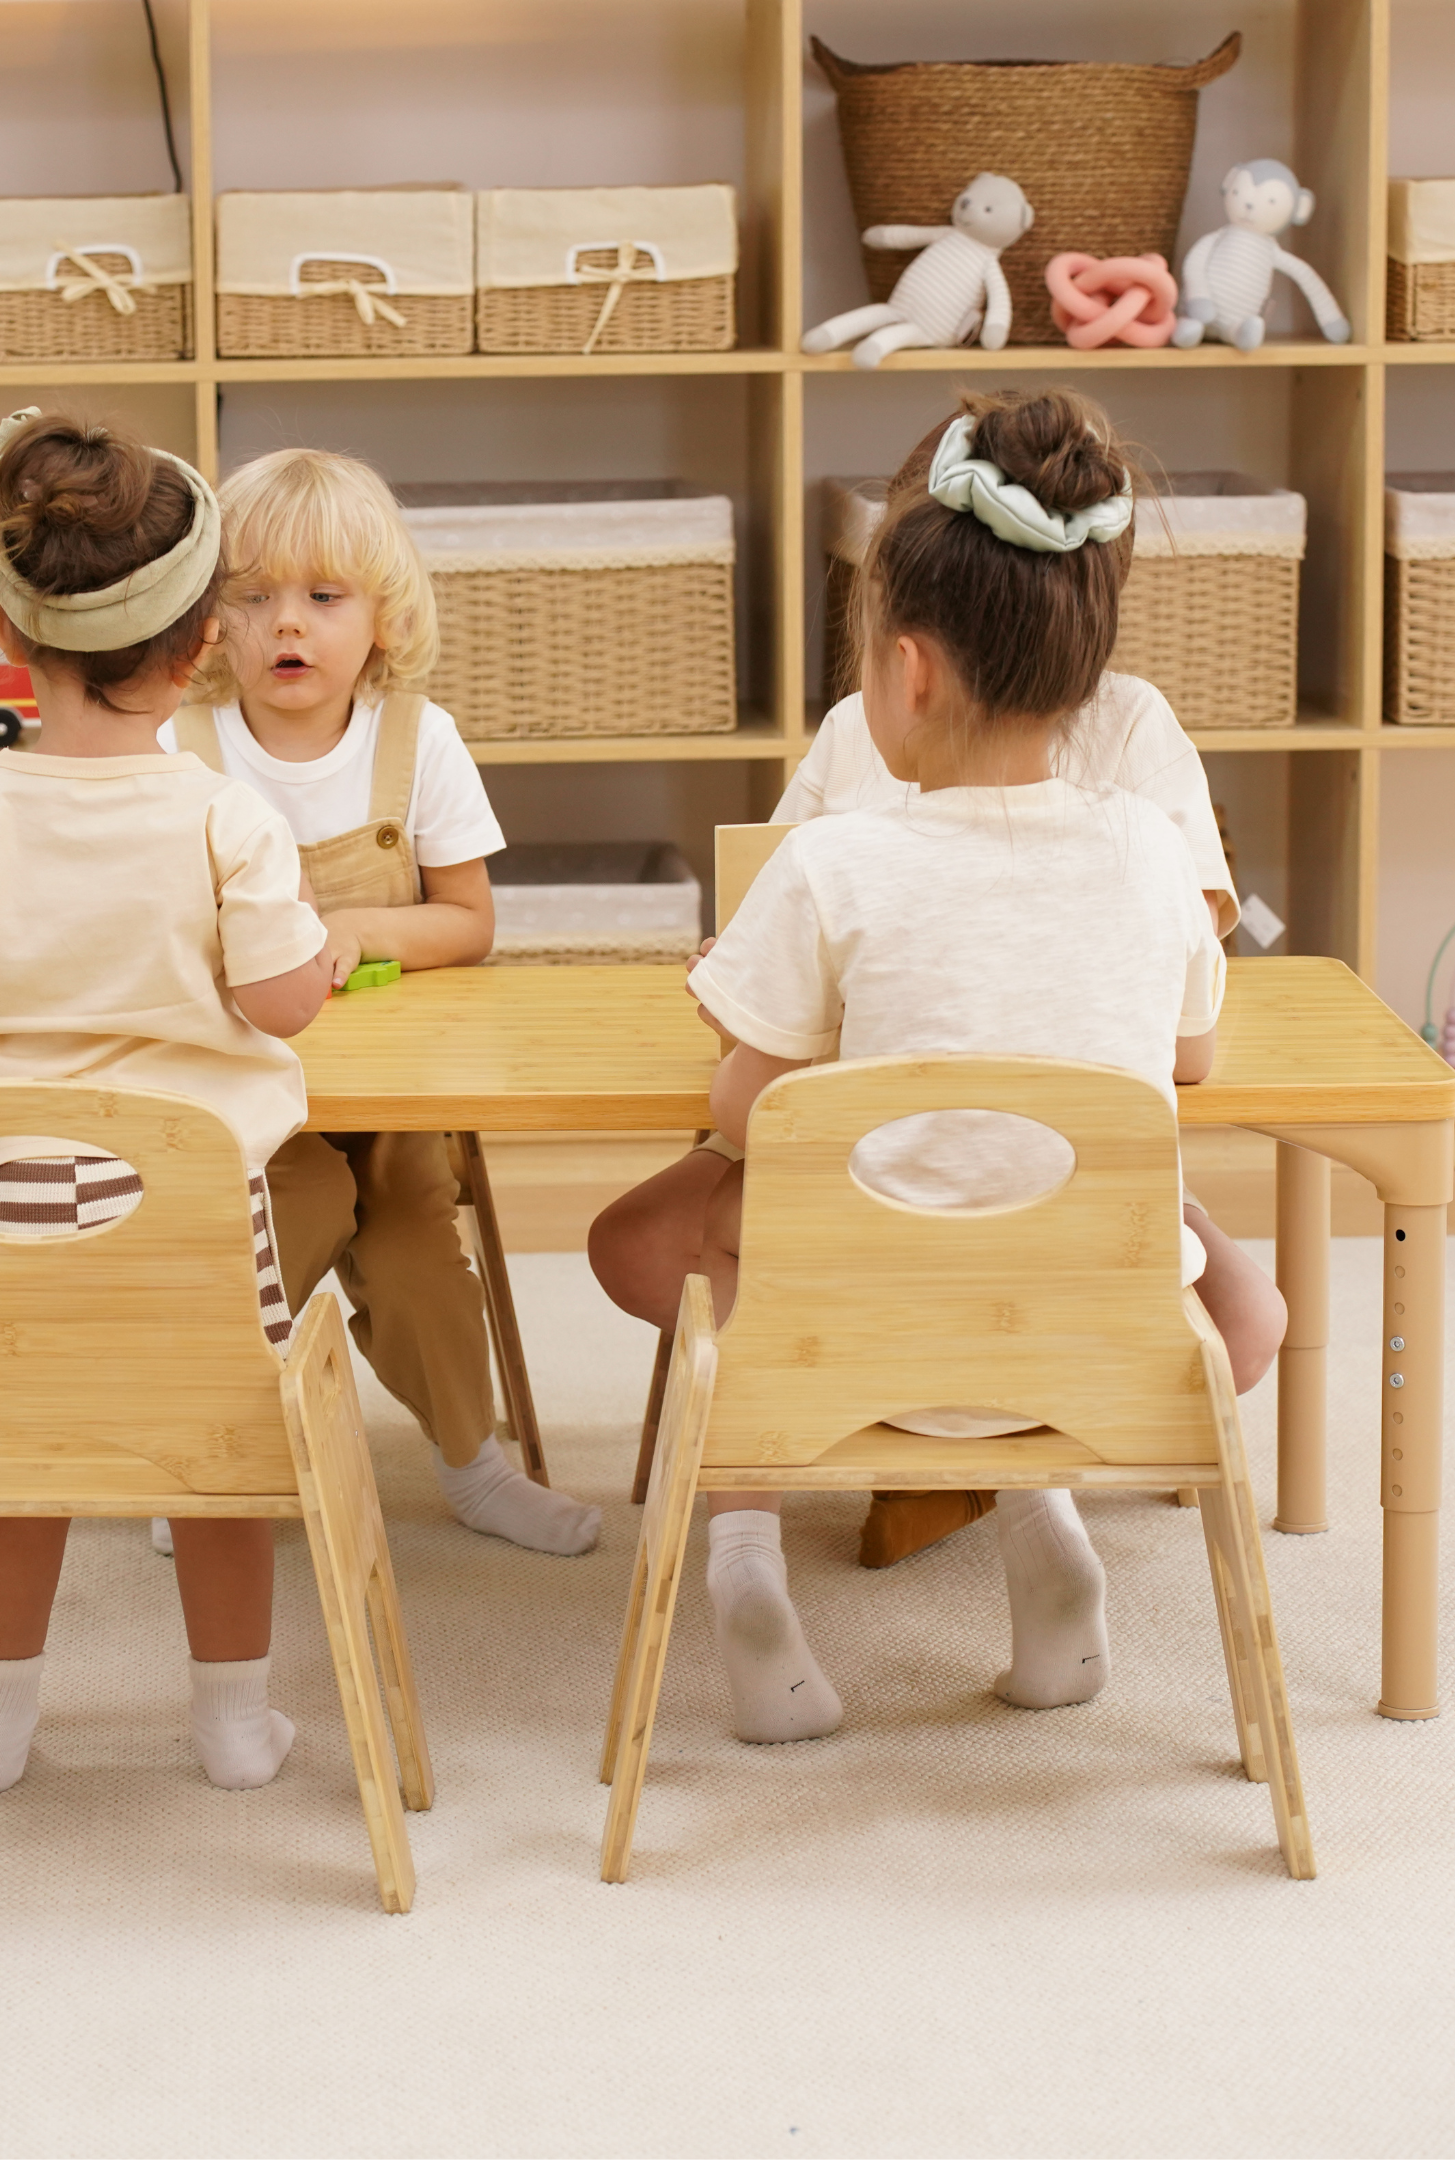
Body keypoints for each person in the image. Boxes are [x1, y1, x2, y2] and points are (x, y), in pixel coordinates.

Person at [594, 385, 1278, 1744]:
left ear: (907, 671)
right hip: (1097, 1344)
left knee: (713, 1219)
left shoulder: (839, 864)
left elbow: (753, 1104)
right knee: (1156, 1235)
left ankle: (741, 1557)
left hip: (857, 1342)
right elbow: (1190, 1053)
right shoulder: (1151, 846)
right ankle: (1044, 1509)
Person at [0, 409, 334, 1797]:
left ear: (12, 644)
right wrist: (305, 945)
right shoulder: (225, 820)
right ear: (200, 654)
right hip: (196, 1208)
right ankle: (235, 1726)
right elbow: (286, 1001)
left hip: (23, 1199)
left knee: (22, 1468)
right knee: (220, 1467)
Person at [158, 447, 602, 1558]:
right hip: (253, 1097)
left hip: (397, 1093)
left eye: (321, 597)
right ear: (210, 622)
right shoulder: (185, 749)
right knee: (282, 1225)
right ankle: (212, 1452)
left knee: (413, 1248)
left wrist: (356, 931)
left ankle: (472, 1462)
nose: (284, 627)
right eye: (251, 599)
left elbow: (469, 921)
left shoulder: (419, 739)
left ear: (383, 619)